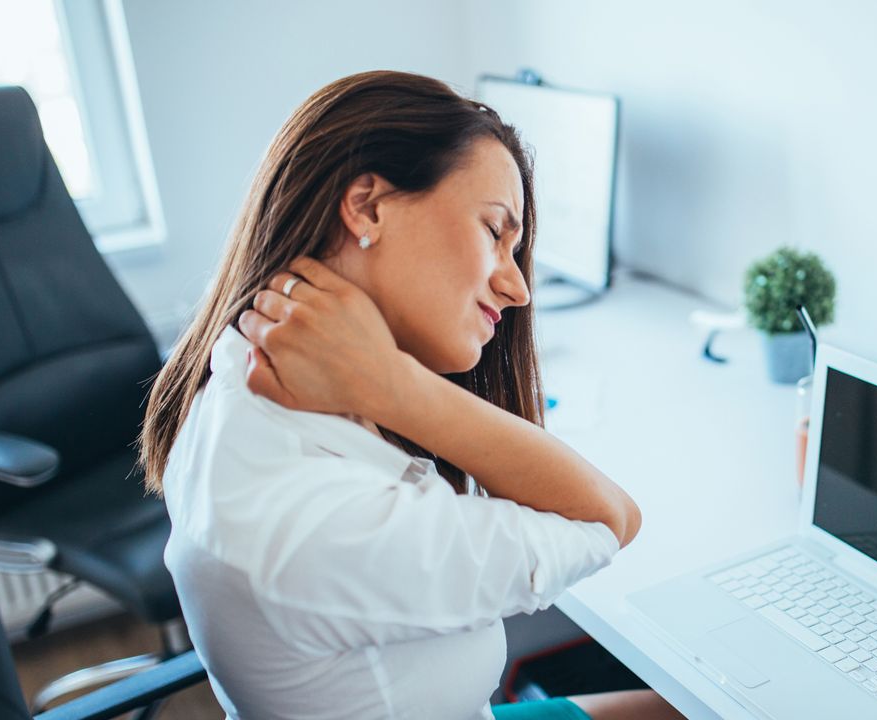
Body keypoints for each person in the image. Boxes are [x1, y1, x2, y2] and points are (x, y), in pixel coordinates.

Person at [140, 70, 678, 720]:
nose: (518, 287)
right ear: (367, 207)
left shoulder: (233, 367)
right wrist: (395, 386)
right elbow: (609, 520)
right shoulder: (320, 524)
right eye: (493, 231)